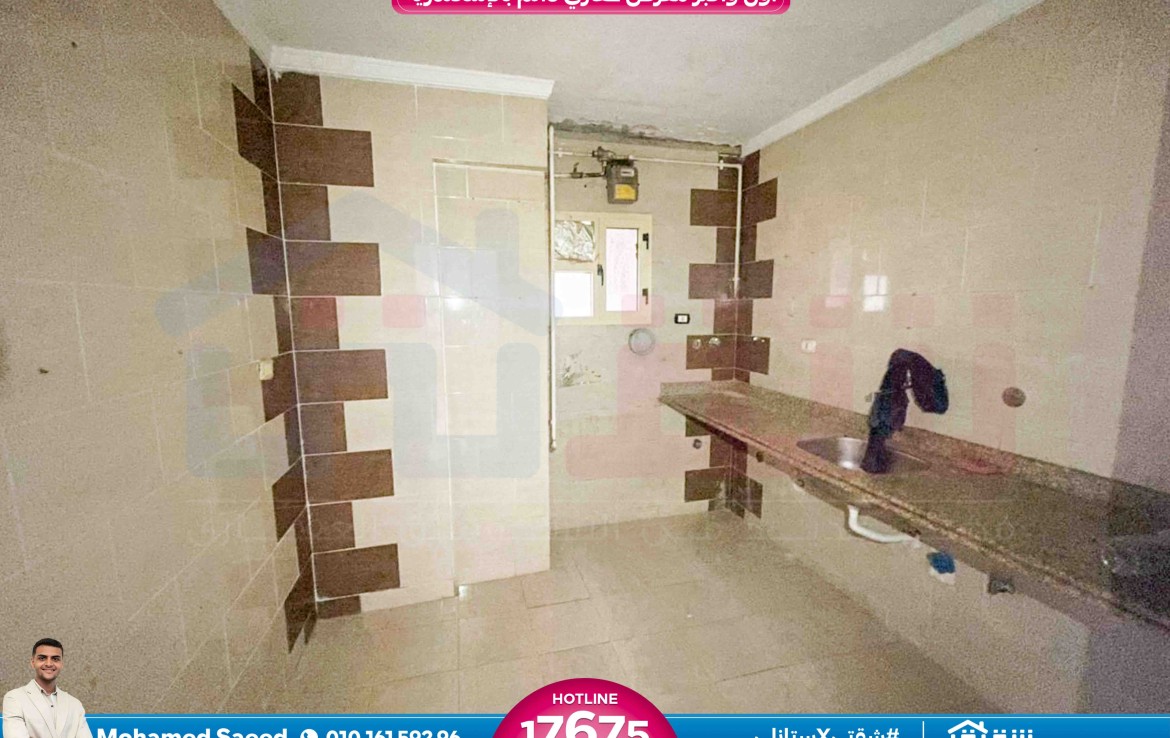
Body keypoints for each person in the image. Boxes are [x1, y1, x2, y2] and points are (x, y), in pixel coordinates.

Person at [2, 639, 92, 738]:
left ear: (62, 664)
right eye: (42, 658)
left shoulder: (75, 704)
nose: (49, 664)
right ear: (33, 662)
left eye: (55, 659)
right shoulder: (14, 698)